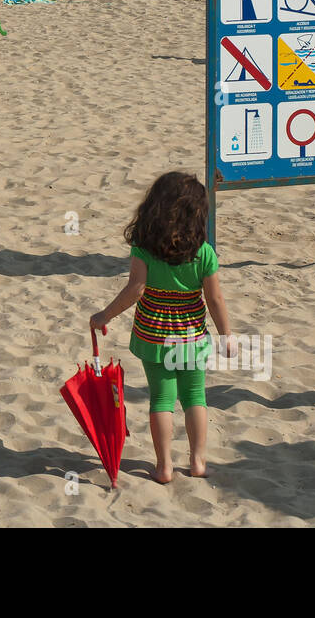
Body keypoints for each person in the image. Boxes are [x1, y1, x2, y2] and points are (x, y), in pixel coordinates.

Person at [90, 172, 234, 482]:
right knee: (195, 397)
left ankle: (164, 465)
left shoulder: (144, 248)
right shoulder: (203, 253)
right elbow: (216, 299)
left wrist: (105, 315)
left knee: (161, 400)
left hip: (153, 336)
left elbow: (135, 290)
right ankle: (197, 461)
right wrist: (226, 335)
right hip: (191, 337)